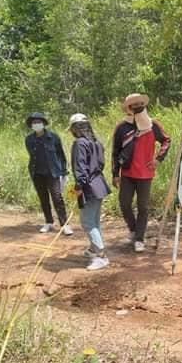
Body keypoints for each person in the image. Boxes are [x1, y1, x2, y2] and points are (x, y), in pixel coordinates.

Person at [111, 93, 171, 253]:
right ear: (129, 108)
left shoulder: (152, 125)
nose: (138, 107)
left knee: (143, 207)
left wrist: (158, 159)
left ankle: (139, 238)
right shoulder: (122, 127)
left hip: (145, 174)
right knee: (124, 204)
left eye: (140, 104)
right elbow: (115, 152)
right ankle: (133, 229)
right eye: (134, 105)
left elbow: (166, 140)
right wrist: (115, 174)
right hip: (127, 173)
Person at [69, 113, 111, 271]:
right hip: (99, 184)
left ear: (75, 128)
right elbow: (101, 164)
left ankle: (101, 256)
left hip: (89, 187)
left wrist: (79, 186)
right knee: (94, 221)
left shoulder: (79, 143)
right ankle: (94, 249)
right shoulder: (96, 142)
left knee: (87, 222)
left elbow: (80, 167)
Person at [24, 112, 72, 235]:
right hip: (37, 173)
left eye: (39, 122)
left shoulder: (53, 137)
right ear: (31, 125)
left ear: (43, 123)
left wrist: (64, 172)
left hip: (53, 173)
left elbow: (61, 155)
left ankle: (64, 224)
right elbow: (32, 156)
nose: (36, 124)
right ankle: (48, 222)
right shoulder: (29, 139)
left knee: (57, 197)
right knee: (43, 197)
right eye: (34, 123)